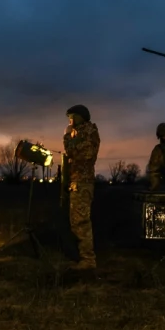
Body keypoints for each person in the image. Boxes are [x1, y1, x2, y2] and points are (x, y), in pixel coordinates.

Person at [62, 103, 101, 270]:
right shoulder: (82, 132)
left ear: (79, 117)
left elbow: (75, 152)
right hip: (78, 181)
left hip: (83, 182)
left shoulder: (88, 132)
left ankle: (88, 260)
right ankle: (81, 257)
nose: (70, 120)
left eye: (72, 117)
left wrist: (67, 137)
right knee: (76, 222)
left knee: (81, 222)